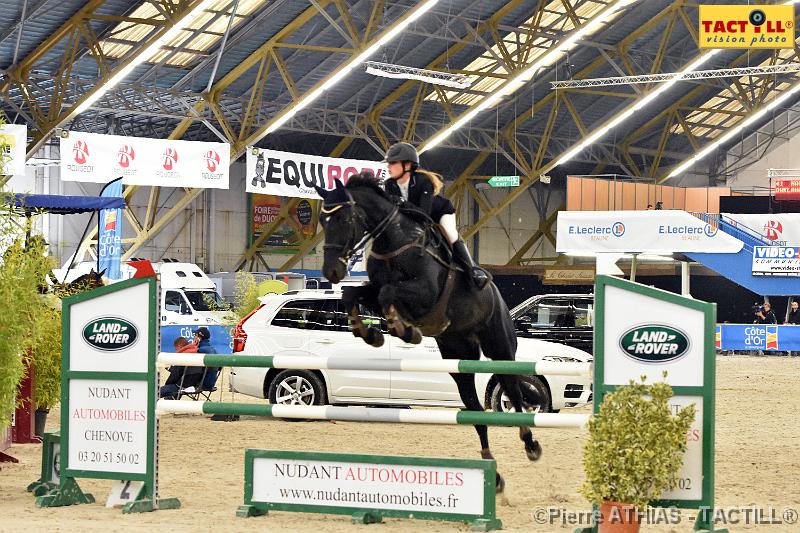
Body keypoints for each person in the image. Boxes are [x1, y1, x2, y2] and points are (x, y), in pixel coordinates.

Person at [382, 142, 490, 289]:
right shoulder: (389, 185)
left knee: (451, 235)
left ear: (407, 165)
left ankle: (473, 271)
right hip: (411, 220)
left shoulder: (424, 182)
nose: (388, 167)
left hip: (440, 214)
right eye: (388, 163)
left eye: (393, 163)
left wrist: (401, 202)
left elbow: (423, 214)